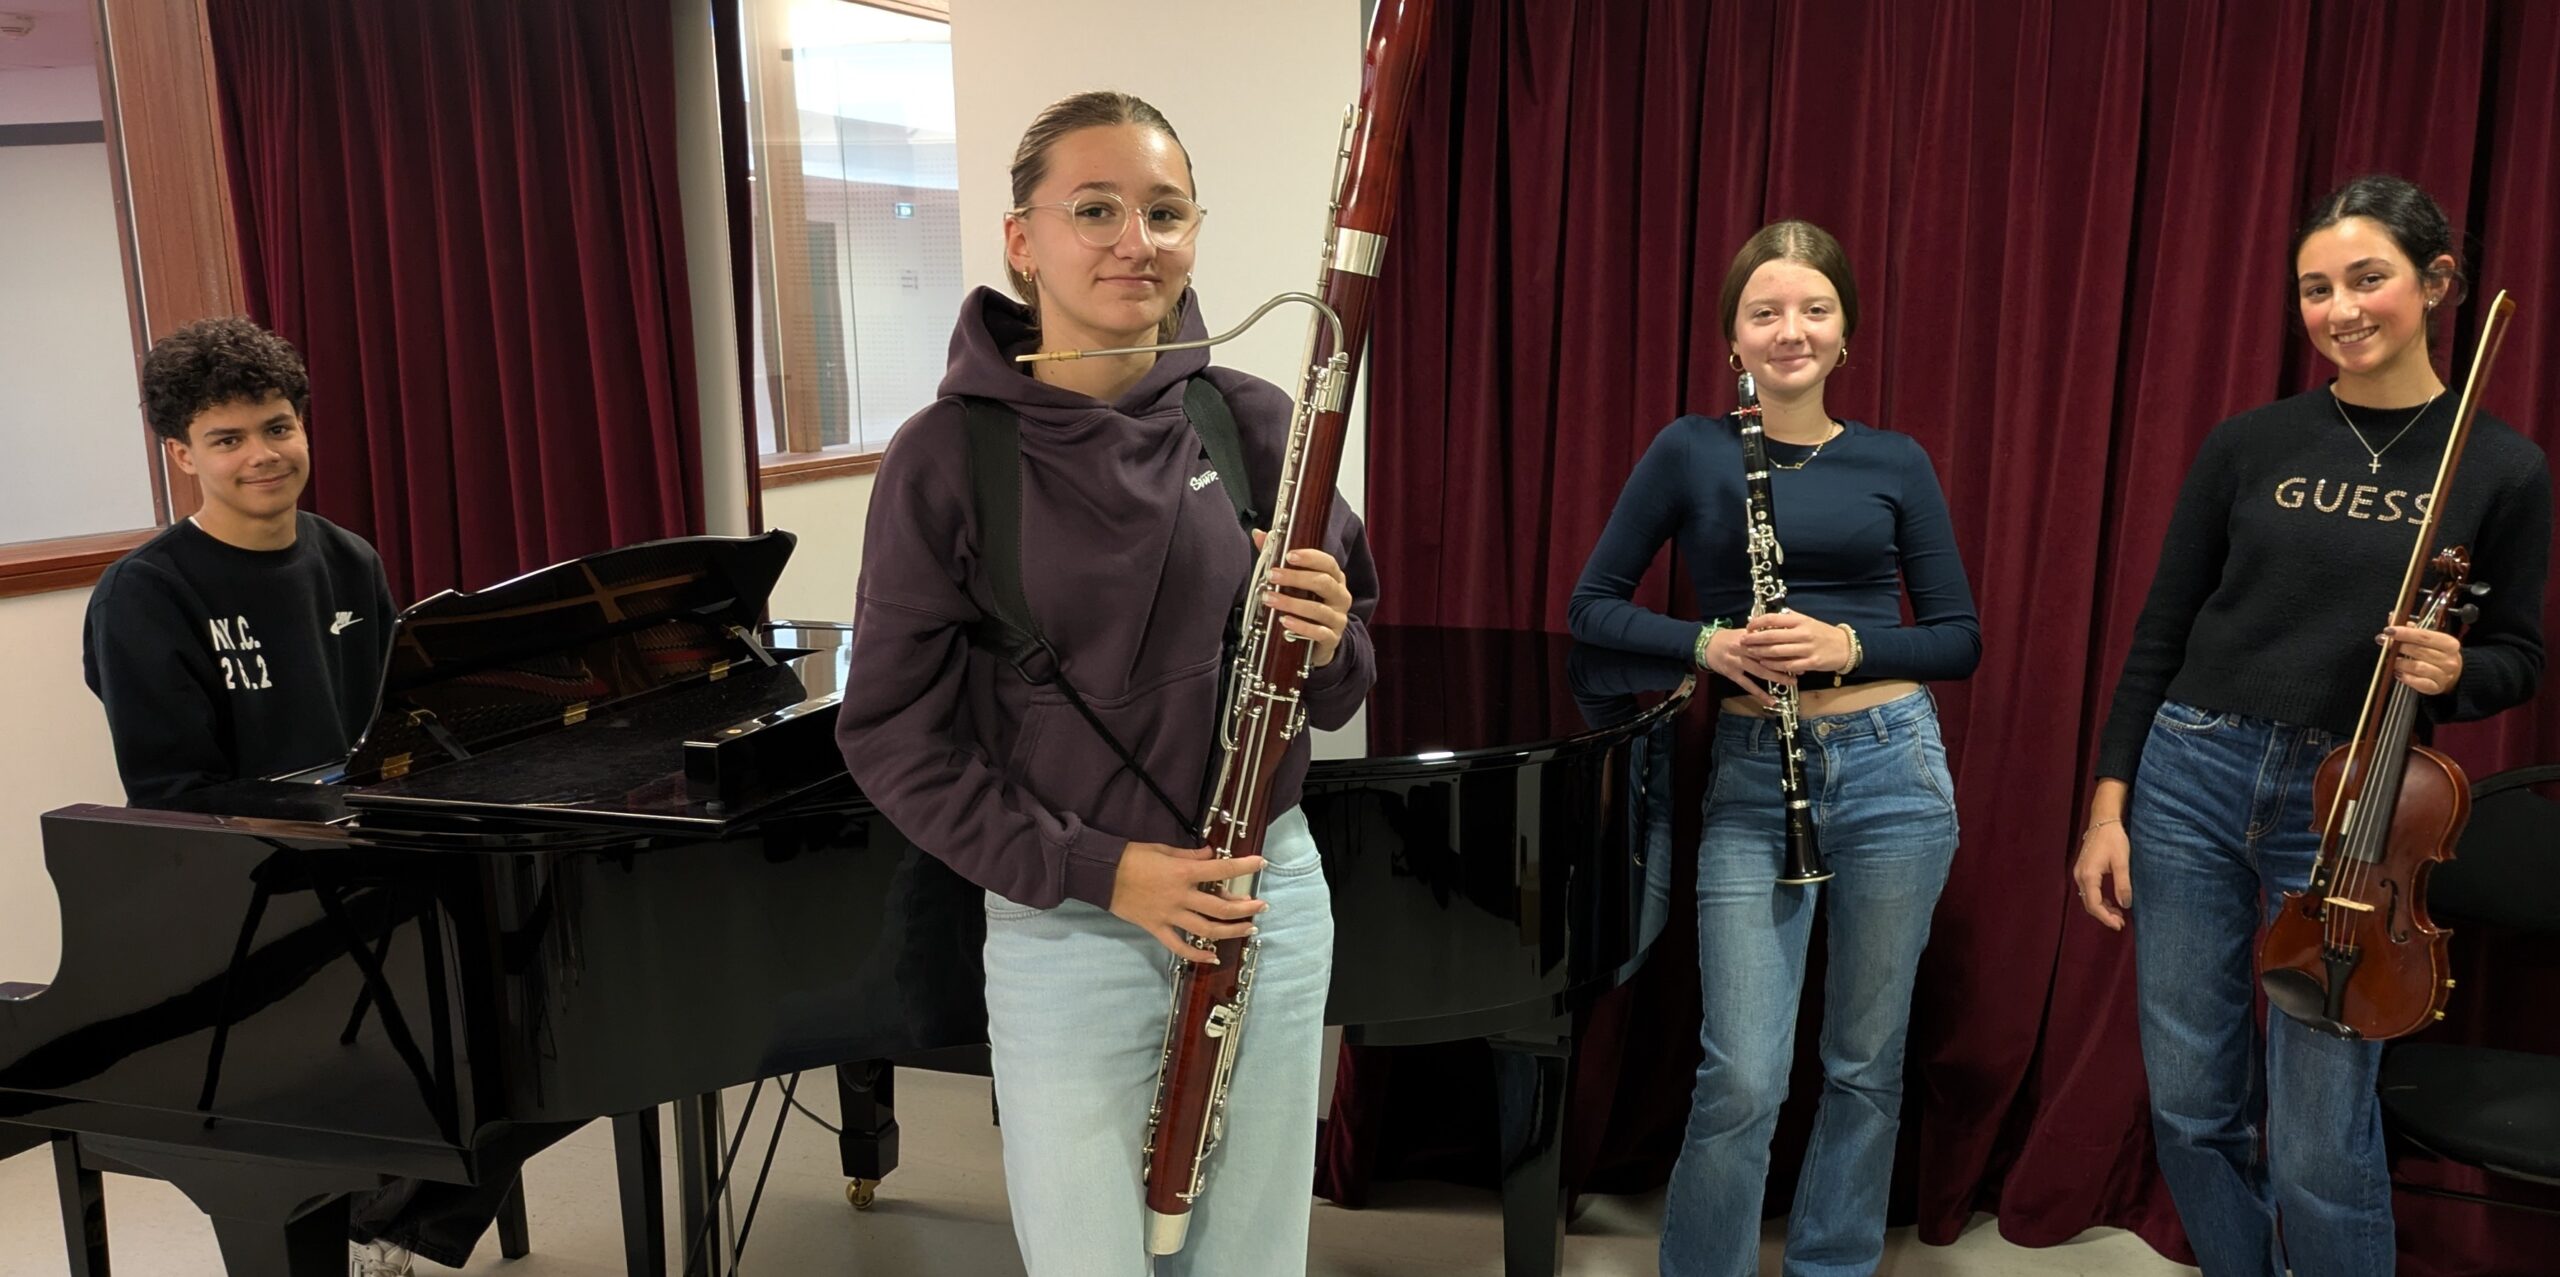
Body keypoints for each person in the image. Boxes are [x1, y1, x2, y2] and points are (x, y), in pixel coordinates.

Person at [833, 91, 1378, 1274]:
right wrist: (1102, 870)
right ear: (1021, 240)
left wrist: (1331, 635)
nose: (1137, 240)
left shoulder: (1251, 420)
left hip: (1262, 894)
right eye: (1094, 209)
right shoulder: (945, 456)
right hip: (1070, 918)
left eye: (1165, 211)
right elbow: (891, 736)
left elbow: (1340, 689)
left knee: (1249, 1257)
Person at [2071, 174, 2549, 1277]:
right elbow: (2161, 631)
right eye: (2315, 288)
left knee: (2321, 1139)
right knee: (2191, 1102)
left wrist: (2456, 668)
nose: (2339, 309)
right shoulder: (2249, 443)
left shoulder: (2502, 466)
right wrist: (2108, 807)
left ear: (2437, 282)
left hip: (2354, 804)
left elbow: (2518, 655)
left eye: (2366, 279)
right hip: (2191, 770)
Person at [81, 316, 563, 1277]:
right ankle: (383, 1203)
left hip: (375, 871)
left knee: (559, 1010)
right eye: (228, 438)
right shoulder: (146, 593)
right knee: (477, 1026)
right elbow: (175, 797)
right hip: (247, 901)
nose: (263, 454)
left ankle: (395, 1214)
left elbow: (395, 737)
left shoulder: (349, 559)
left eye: (278, 426)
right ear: (183, 455)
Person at [1568, 220, 1981, 1277]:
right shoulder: (1691, 448)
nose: (1790, 330)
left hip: (1892, 765)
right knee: (1742, 1071)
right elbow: (1592, 608)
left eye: (1813, 309)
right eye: (1765, 312)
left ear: (1845, 334)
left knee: (1864, 1062)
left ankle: (1832, 1264)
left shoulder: (1895, 459)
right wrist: (1705, 642)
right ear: (1733, 337)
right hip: (1757, 768)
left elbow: (1958, 638)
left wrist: (1849, 643)